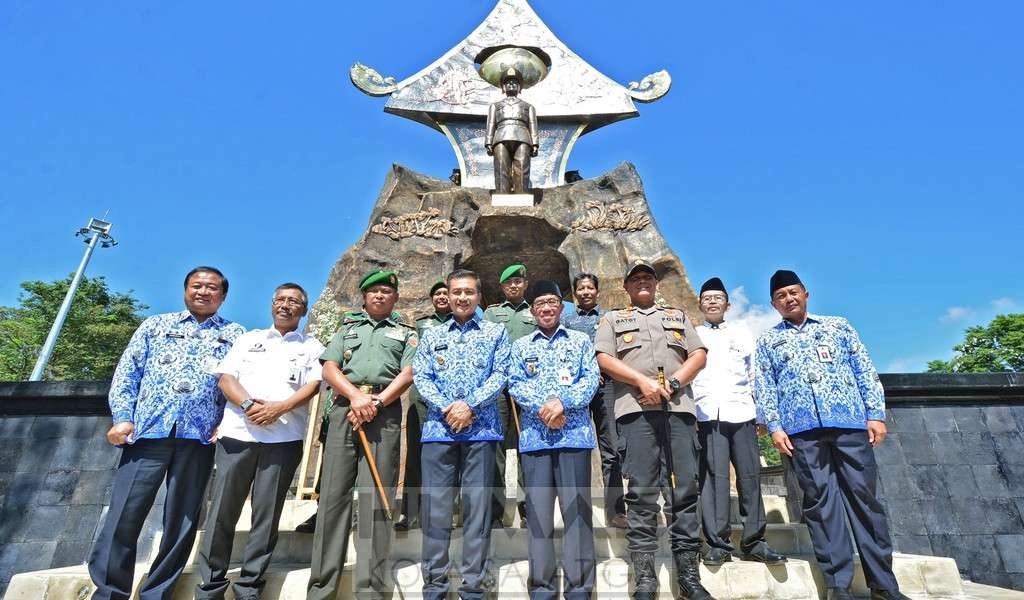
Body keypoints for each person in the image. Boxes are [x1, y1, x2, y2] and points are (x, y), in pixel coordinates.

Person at [89, 266, 245, 600]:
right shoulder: (154, 326)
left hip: (199, 438)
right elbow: (127, 374)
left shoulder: (236, 334)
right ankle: (109, 592)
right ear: (185, 289)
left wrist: (227, 422)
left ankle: (156, 594)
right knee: (124, 517)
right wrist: (122, 417)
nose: (203, 292)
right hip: (148, 434)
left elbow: (238, 384)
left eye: (212, 287)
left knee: (182, 523)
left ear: (223, 295)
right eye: (196, 285)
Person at [755, 270, 909, 600]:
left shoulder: (838, 326)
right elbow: (765, 385)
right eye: (781, 296)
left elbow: (864, 369)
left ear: (806, 294)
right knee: (821, 506)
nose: (788, 299)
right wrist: (775, 426)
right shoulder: (768, 340)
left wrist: (875, 414)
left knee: (865, 502)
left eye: (793, 292)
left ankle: (884, 585)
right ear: (773, 304)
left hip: (850, 424)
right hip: (802, 432)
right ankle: (838, 585)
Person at [195, 283, 324, 599]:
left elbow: (314, 386)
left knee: (267, 517)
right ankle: (210, 584)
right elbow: (227, 378)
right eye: (280, 299)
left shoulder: (313, 346)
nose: (285, 305)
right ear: (272, 304)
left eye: (293, 301)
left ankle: (250, 584)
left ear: (303, 310)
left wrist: (279, 408)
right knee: (222, 511)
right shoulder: (248, 339)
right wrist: (250, 406)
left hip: (283, 439)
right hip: (238, 435)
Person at [594, 259, 713, 600]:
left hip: (678, 412)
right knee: (642, 494)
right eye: (636, 279)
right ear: (627, 288)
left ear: (656, 284)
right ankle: (645, 579)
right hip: (635, 413)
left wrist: (674, 382)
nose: (643, 283)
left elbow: (699, 355)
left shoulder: (677, 316)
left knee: (684, 494)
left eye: (648, 277)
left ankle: (689, 577)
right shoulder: (613, 319)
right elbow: (604, 358)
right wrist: (642, 382)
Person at [306, 270, 418, 600]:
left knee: (376, 500)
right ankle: (322, 587)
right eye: (374, 292)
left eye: (386, 291)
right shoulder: (346, 329)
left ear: (395, 298)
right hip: (345, 410)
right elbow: (329, 367)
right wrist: (355, 397)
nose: (380, 296)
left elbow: (408, 372)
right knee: (332, 499)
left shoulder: (407, 334)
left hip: (383, 412)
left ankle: (370, 589)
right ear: (364, 297)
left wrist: (377, 401)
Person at [413, 269, 511, 600]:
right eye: (456, 292)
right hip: (438, 432)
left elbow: (501, 374)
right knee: (436, 512)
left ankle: (473, 589)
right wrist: (448, 407)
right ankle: (435, 588)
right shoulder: (431, 335)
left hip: (481, 430)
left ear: (479, 296)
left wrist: (468, 405)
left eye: (469, 292)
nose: (462, 298)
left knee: (477, 512)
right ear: (448, 295)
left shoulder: (496, 333)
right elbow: (422, 377)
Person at [509, 280, 600, 600]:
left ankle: (579, 589)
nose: (546, 308)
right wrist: (544, 408)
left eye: (552, 302)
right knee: (538, 517)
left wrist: (562, 403)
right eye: (540, 304)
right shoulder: (520, 347)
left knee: (577, 516)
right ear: (532, 310)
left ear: (562, 307)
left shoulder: (580, 342)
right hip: (535, 440)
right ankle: (543, 589)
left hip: (574, 437)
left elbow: (591, 380)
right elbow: (515, 384)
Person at [691, 277, 785, 567]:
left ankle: (755, 541)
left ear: (728, 304)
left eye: (718, 297)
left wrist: (762, 415)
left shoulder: (743, 333)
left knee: (749, 477)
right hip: (707, 414)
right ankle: (718, 542)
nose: (712, 301)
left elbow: (756, 373)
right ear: (700, 304)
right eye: (707, 297)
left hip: (743, 411)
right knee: (714, 480)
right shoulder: (692, 335)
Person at [560, 273, 627, 529]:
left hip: (607, 387)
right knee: (575, 448)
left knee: (611, 449)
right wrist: (585, 376)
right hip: (575, 389)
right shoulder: (566, 320)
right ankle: (576, 512)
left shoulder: (610, 317)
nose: (586, 291)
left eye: (590, 287)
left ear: (597, 291)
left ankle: (616, 511)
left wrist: (603, 372)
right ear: (574, 293)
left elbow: (620, 350)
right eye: (581, 288)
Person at [395, 280, 452, 531]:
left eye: (445, 293)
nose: (441, 297)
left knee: (450, 456)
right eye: (437, 293)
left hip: (452, 397)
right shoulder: (420, 325)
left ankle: (447, 513)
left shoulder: (463, 322)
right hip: (422, 396)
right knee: (416, 454)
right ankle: (409, 512)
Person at [483, 262, 535, 527]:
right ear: (502, 287)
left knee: (529, 447)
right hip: (499, 391)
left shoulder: (536, 311)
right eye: (509, 283)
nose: (514, 286)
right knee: (496, 449)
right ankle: (495, 512)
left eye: (519, 281)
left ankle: (529, 511)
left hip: (529, 389)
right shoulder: (491, 315)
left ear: (526, 284)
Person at [485, 67, 539, 194]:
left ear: (519, 87)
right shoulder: (495, 106)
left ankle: (521, 194)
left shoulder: (528, 106)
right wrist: (488, 142)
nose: (511, 84)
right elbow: (491, 123)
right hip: (500, 136)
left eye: (514, 82)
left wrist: (535, 143)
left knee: (521, 166)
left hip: (523, 136)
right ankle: (502, 194)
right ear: (503, 87)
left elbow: (532, 124)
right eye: (508, 82)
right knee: (501, 166)